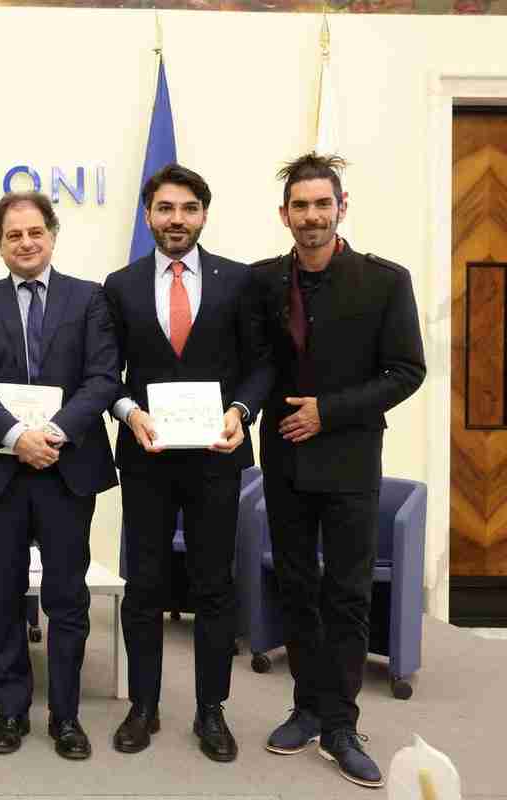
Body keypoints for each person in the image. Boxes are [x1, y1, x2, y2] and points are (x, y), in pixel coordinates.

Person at [252, 153, 425, 789]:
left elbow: (406, 371)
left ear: (341, 207)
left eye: (322, 204)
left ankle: (342, 725)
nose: (312, 216)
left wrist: (330, 412)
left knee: (347, 594)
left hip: (350, 460)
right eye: (300, 206)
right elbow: (259, 362)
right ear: (284, 215)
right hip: (285, 461)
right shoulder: (265, 282)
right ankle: (305, 706)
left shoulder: (385, 281)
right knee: (296, 586)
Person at [101, 164, 273, 763]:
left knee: (212, 585)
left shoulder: (240, 282)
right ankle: (143, 706)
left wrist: (242, 410)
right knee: (144, 584)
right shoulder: (118, 284)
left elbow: (262, 365)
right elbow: (105, 372)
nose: (176, 219)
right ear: (148, 214)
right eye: (165, 208)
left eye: (188, 208)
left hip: (216, 456)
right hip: (146, 455)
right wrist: (127, 411)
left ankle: (211, 710)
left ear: (204, 213)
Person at [0, 191, 119, 760]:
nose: (25, 243)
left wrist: (49, 435)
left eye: (34, 232)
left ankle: (66, 716)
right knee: (3, 596)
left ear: (52, 234)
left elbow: (103, 378)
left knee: (67, 597)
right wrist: (14, 437)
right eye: (12, 235)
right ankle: (10, 711)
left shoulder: (90, 299)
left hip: (66, 468)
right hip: (2, 470)